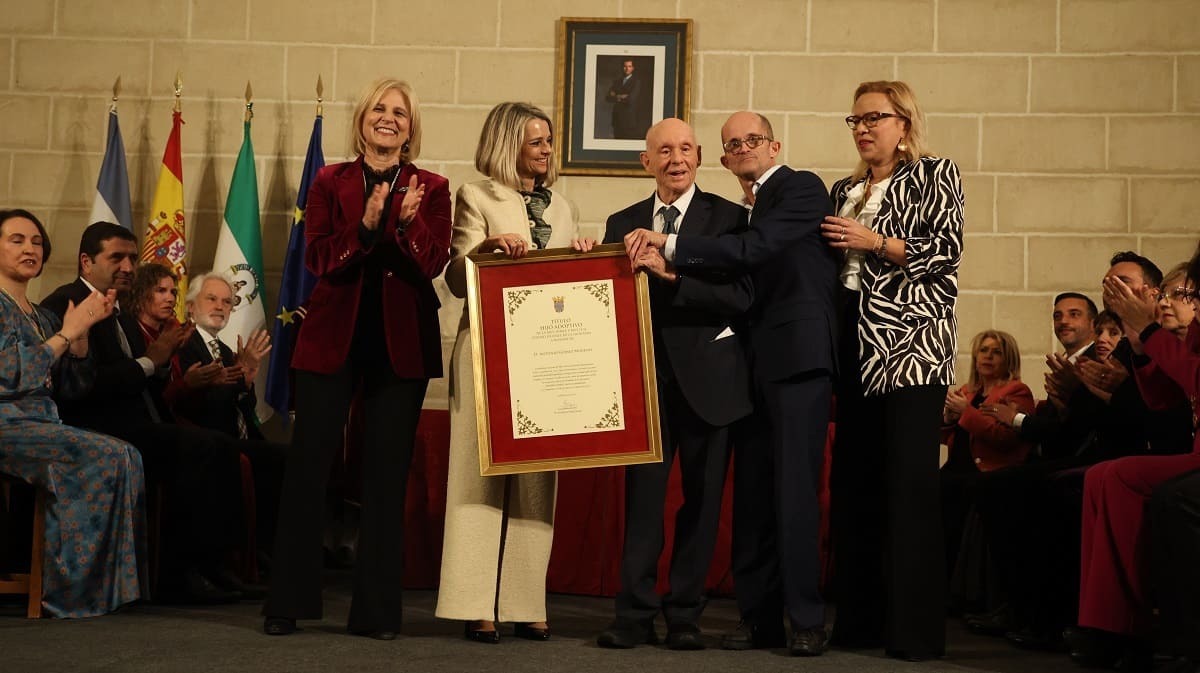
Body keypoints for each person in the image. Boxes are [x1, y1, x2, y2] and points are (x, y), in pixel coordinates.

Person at [625, 109, 838, 656]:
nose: (742, 147)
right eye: (732, 143)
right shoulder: (746, 208)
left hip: (795, 362)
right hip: (749, 368)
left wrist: (670, 249)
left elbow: (751, 254)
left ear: (774, 145)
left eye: (753, 139)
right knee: (752, 501)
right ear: (723, 159)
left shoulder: (799, 189)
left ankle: (806, 619)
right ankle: (759, 618)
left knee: (792, 495)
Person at [263, 77, 451, 640]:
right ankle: (288, 603)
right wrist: (368, 226)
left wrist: (407, 226)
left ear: (411, 127)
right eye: (379, 109)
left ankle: (375, 613)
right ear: (362, 119)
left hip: (401, 346)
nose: (388, 118)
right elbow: (319, 257)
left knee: (386, 478)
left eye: (400, 112)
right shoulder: (328, 180)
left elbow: (434, 264)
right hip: (329, 340)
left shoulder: (434, 186)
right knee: (308, 470)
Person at [819, 80, 964, 661]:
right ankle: (858, 621)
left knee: (908, 490)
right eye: (854, 119)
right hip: (853, 346)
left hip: (910, 349)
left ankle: (915, 634)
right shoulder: (844, 188)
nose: (862, 127)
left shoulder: (935, 173)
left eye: (874, 117)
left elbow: (945, 251)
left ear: (904, 123)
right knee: (855, 486)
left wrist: (875, 241)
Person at [437, 102, 591, 643]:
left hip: (545, 357)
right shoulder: (477, 196)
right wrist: (483, 250)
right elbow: (457, 277)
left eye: (550, 141)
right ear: (509, 145)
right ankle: (474, 603)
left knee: (536, 481)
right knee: (477, 477)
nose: (548, 150)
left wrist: (585, 254)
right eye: (537, 141)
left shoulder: (566, 207)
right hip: (486, 353)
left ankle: (527, 602)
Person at [596, 118, 753, 650]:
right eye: (664, 150)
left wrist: (672, 277)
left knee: (702, 506)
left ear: (700, 156)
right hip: (643, 387)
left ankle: (685, 614)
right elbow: (606, 306)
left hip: (714, 385)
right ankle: (633, 615)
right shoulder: (621, 221)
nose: (676, 158)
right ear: (646, 162)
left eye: (685, 148)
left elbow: (739, 299)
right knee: (641, 508)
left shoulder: (731, 219)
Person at [41, 222, 248, 605]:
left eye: (133, 258)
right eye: (115, 257)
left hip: (137, 422)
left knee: (222, 446)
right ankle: (178, 575)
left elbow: (146, 378)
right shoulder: (67, 302)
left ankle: (215, 564)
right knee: (199, 447)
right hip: (97, 426)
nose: (127, 266)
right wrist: (150, 362)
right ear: (86, 262)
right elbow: (83, 385)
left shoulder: (119, 310)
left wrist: (164, 363)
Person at [0, 208, 144, 617]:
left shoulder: (44, 315)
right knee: (104, 454)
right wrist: (65, 336)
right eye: (17, 240)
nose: (30, 248)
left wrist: (78, 345)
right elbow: (9, 374)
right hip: (6, 423)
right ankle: (69, 593)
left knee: (126, 454)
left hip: (44, 423)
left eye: (37, 242)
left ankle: (106, 591)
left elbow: (71, 388)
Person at [1067, 250, 1200, 671]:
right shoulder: (1186, 333)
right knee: (1103, 476)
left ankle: (1126, 625)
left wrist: (1147, 332)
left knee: (1119, 475)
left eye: (1181, 293)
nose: (1169, 301)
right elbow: (1164, 398)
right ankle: (1104, 623)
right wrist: (1142, 341)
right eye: (1170, 293)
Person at [130, 267, 286, 567]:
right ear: (190, 305)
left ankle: (263, 553)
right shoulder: (183, 343)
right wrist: (228, 382)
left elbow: (240, 407)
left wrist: (247, 381)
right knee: (255, 457)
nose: (219, 307)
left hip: (226, 434)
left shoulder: (226, 350)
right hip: (199, 433)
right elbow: (187, 403)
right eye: (211, 299)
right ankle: (229, 560)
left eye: (227, 302)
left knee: (281, 457)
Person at [939, 330, 1034, 581]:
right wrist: (947, 419)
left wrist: (965, 412)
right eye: (984, 350)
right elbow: (946, 434)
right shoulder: (967, 391)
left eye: (996, 352)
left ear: (1008, 359)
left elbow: (1006, 437)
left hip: (988, 472)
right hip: (955, 467)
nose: (988, 357)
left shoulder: (1017, 391)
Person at [606, 59, 642, 139]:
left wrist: (615, 96)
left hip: (628, 119)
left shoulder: (636, 82)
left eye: (629, 66)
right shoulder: (617, 81)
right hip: (617, 118)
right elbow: (608, 97)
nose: (627, 68)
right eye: (625, 66)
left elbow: (631, 99)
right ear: (622, 68)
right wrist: (621, 96)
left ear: (633, 68)